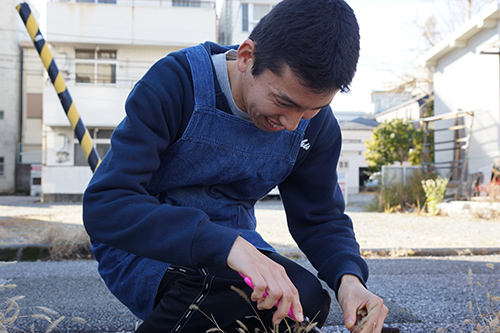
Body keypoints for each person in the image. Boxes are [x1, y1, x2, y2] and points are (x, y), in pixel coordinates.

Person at [82, 0, 389, 331]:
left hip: (239, 250)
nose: (291, 123)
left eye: (311, 109)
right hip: (147, 247)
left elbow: (320, 217)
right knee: (231, 292)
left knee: (307, 301)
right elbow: (106, 204)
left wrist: (350, 279)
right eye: (283, 102)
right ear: (246, 56)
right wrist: (224, 244)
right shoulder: (176, 83)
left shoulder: (317, 126)